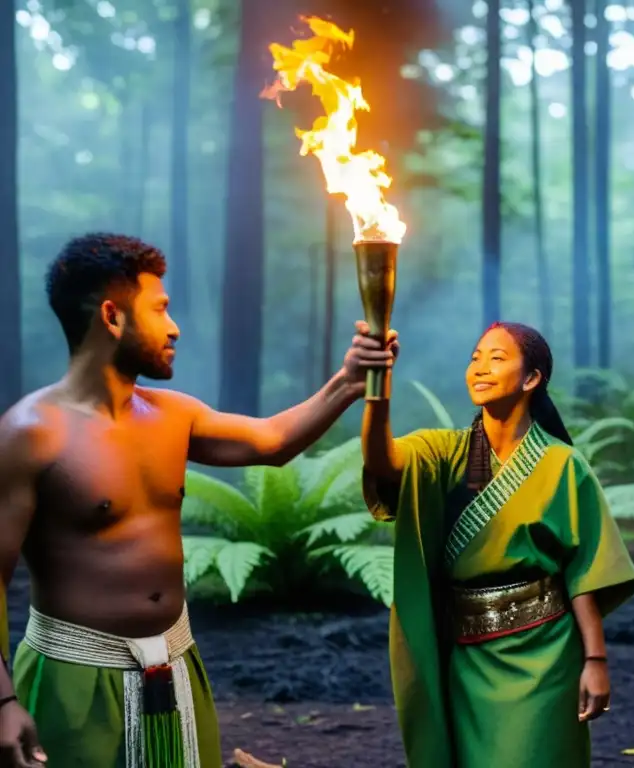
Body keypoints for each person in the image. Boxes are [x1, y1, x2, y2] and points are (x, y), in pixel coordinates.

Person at [0, 233, 396, 768]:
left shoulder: (172, 415)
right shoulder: (31, 433)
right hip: (76, 675)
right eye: (160, 309)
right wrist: (2, 701)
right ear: (113, 317)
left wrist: (349, 380)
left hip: (176, 668)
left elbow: (273, 442)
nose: (174, 327)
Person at [361, 320, 634, 767]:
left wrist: (595, 659)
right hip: (465, 656)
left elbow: (584, 570)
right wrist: (378, 384)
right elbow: (383, 459)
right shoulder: (443, 452)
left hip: (546, 656)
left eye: (497, 358)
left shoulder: (562, 464)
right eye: (475, 358)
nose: (480, 368)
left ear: (531, 379)